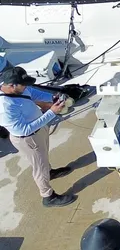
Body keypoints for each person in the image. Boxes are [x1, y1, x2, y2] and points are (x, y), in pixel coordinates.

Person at [0, 64, 77, 207]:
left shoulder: (17, 89)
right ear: (11, 85)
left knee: (43, 158)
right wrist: (52, 112)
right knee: (39, 168)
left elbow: (32, 93)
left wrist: (53, 97)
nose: (26, 87)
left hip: (39, 130)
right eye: (23, 85)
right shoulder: (5, 107)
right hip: (28, 139)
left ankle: (50, 172)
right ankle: (48, 197)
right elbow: (23, 130)